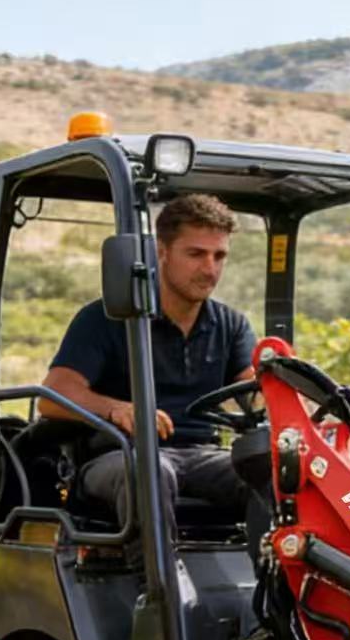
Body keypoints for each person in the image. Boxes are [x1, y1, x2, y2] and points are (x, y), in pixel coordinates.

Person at [40, 193, 255, 540]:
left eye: (219, 256)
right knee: (151, 471)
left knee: (274, 472)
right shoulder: (106, 318)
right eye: (196, 254)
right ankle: (160, 591)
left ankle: (277, 588)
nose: (210, 269)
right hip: (121, 456)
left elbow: (256, 394)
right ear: (162, 252)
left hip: (202, 455)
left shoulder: (231, 326)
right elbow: (52, 396)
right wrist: (117, 409)